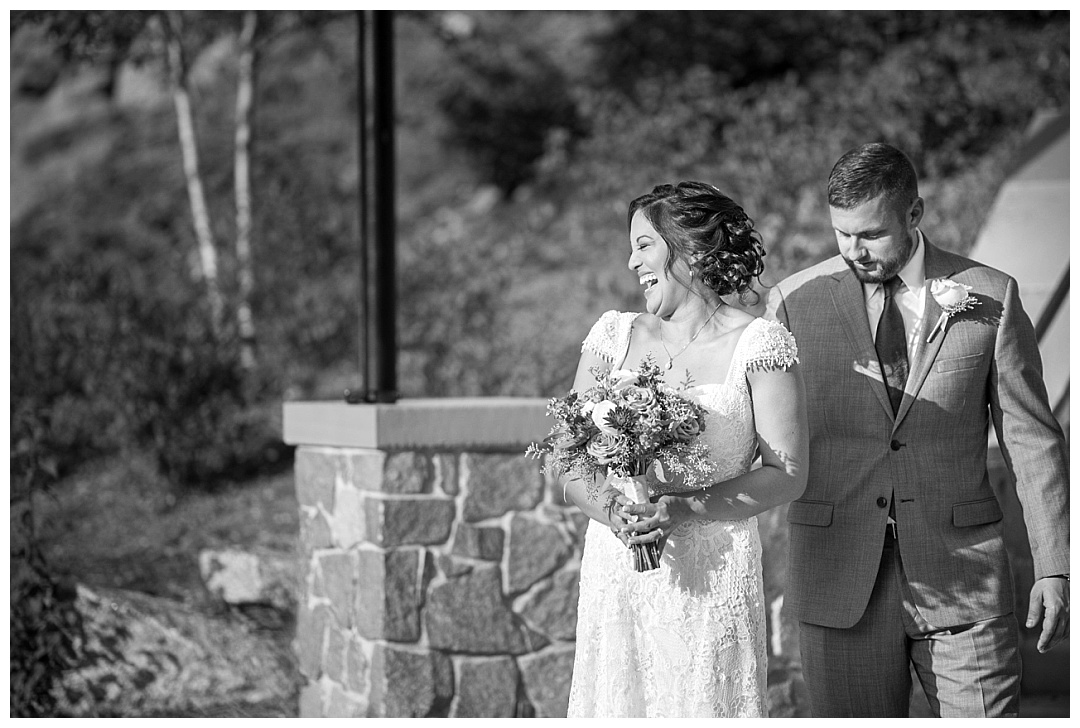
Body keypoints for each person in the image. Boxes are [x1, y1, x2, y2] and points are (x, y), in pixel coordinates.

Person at [764, 142, 1070, 717]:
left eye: (871, 234)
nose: (854, 250)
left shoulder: (989, 294)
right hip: (838, 581)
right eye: (841, 233)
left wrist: (1055, 564)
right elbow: (762, 430)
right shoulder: (792, 303)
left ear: (915, 213)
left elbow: (1031, 439)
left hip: (965, 578)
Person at [563, 181, 808, 718]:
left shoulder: (760, 344)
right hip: (618, 573)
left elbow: (786, 474)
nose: (631, 262)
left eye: (644, 245)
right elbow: (571, 458)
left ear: (693, 251)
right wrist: (620, 515)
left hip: (713, 577)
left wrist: (678, 509)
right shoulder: (612, 337)